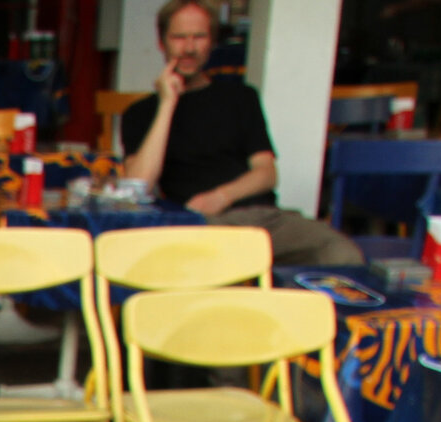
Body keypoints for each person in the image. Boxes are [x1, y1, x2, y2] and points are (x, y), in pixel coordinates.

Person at [122, 0, 364, 266]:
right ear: (162, 43)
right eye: (179, 38)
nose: (189, 48)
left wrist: (221, 196)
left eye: (199, 37)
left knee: (342, 254)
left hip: (264, 219)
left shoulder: (241, 97)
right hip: (202, 225)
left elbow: (267, 173)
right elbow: (137, 186)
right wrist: (167, 104)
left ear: (212, 42)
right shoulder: (142, 113)